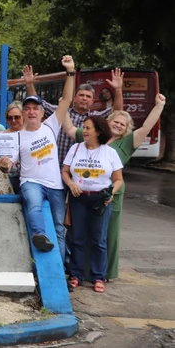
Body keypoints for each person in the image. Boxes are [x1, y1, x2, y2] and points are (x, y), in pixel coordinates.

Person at [62, 93, 166, 281]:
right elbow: (68, 127)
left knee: (105, 235)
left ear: (126, 129)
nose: (118, 125)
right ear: (106, 123)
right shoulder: (88, 135)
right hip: (82, 194)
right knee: (80, 234)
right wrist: (65, 100)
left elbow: (147, 127)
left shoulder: (127, 142)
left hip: (110, 194)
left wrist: (159, 106)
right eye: (115, 122)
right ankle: (80, 272)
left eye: (122, 124)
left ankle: (104, 273)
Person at [17, 56, 75, 258]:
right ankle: (39, 235)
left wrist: (70, 72)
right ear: (23, 113)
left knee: (59, 228)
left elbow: (67, 100)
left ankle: (60, 272)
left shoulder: (51, 125)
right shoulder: (17, 136)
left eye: (35, 108)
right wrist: (4, 164)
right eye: (27, 109)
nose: (31, 112)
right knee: (33, 205)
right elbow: (9, 165)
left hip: (55, 185)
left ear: (42, 113)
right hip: (31, 181)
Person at [62, 116, 124, 293]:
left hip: (100, 200)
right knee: (77, 237)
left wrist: (111, 193)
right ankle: (76, 275)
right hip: (78, 198)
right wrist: (72, 184)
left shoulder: (109, 152)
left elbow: (118, 179)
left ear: (98, 131)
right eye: (84, 127)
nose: (85, 131)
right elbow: (65, 172)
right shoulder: (75, 148)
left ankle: (98, 277)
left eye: (88, 128)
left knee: (98, 239)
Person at [23, 65, 124, 162]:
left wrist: (118, 90)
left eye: (88, 96)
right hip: (57, 166)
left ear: (92, 101)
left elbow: (117, 112)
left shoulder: (96, 118)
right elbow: (38, 104)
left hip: (81, 169)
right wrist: (29, 84)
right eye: (81, 95)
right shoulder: (60, 112)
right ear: (74, 98)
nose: (84, 98)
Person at [2, 101, 24, 193]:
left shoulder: (31, 134)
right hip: (8, 178)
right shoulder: (1, 136)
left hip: (28, 178)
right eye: (9, 118)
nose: (13, 120)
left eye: (17, 117)